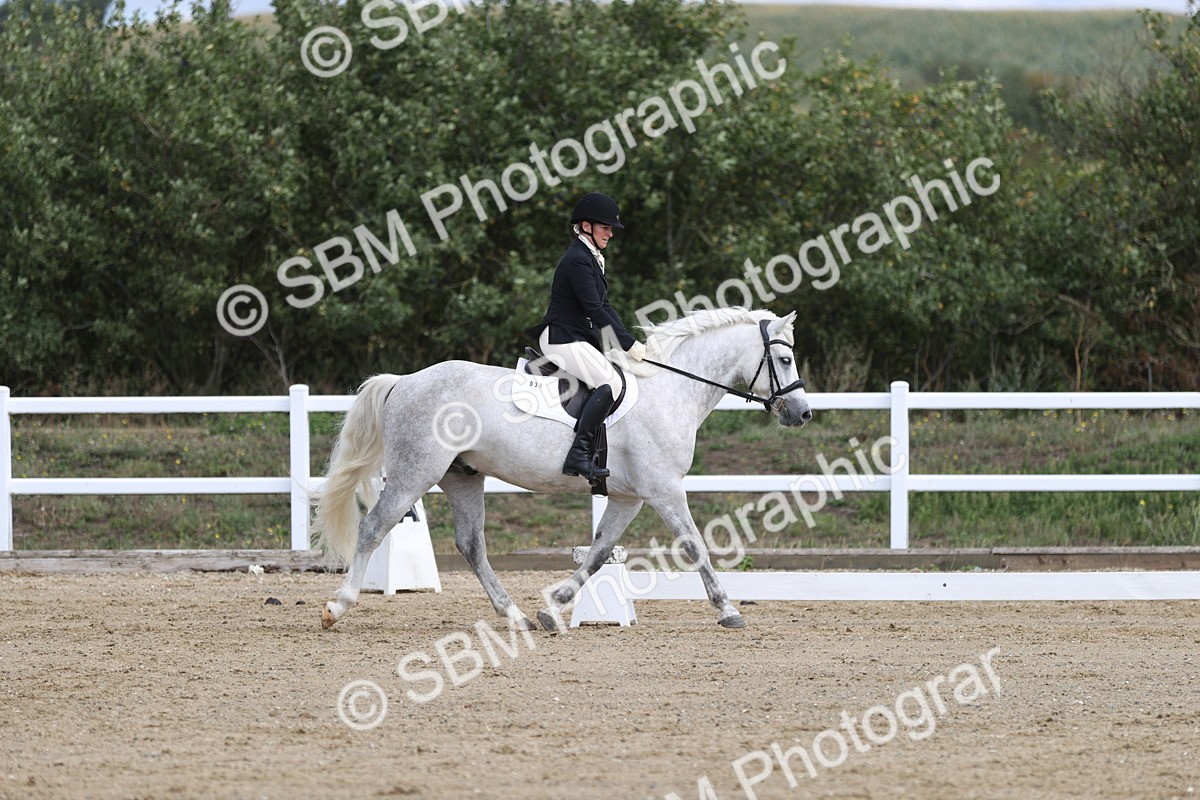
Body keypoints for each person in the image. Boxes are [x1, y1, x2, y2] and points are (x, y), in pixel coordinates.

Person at [529, 192, 647, 482]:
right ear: (585, 226)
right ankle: (579, 455)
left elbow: (604, 306)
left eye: (611, 229)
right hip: (561, 338)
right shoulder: (578, 260)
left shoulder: (590, 257)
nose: (610, 233)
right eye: (605, 227)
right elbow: (594, 309)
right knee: (609, 383)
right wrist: (628, 344)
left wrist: (626, 339)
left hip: (576, 337)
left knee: (614, 378)